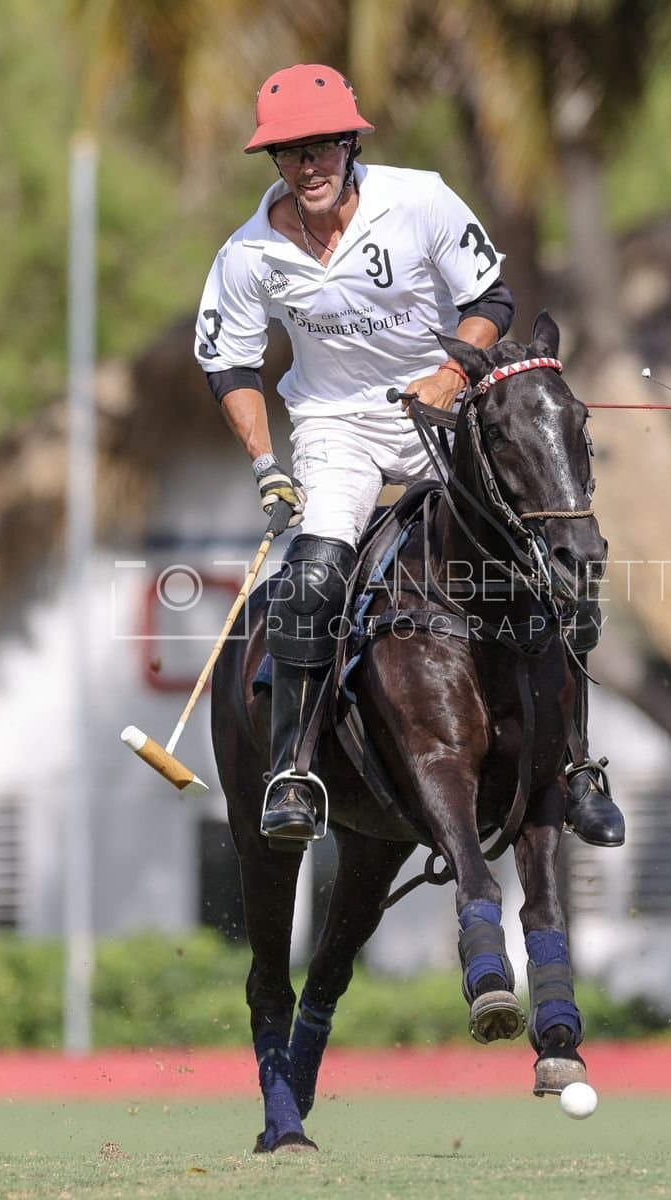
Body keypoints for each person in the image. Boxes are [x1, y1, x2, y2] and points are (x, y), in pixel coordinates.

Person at [194, 63, 624, 850]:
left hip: (448, 411)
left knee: (549, 551)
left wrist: (452, 371)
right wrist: (265, 461)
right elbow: (230, 364)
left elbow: (491, 300)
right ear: (274, 163)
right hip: (337, 427)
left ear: (351, 143)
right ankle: (293, 769)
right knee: (317, 572)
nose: (308, 166)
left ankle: (579, 764)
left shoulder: (419, 199)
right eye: (290, 153)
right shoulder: (249, 254)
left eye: (322, 146)